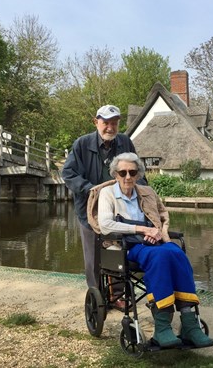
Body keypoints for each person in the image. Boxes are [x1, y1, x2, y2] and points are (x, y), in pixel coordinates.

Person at [87, 152, 213, 349]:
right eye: (122, 172)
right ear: (115, 174)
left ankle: (189, 321)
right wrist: (141, 229)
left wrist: (159, 231)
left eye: (132, 172)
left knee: (176, 252)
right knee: (161, 256)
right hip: (127, 245)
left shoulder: (146, 192)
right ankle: (162, 327)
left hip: (153, 242)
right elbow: (105, 225)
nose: (127, 176)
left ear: (138, 174)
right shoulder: (108, 194)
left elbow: (163, 215)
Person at [62, 105, 145, 294]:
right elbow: (67, 173)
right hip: (90, 209)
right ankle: (97, 296)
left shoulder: (125, 142)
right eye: (105, 122)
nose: (110, 127)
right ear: (96, 122)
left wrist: (146, 194)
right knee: (93, 255)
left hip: (121, 209)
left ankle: (117, 294)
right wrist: (88, 189)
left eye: (114, 123)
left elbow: (138, 172)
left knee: (118, 250)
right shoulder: (82, 144)